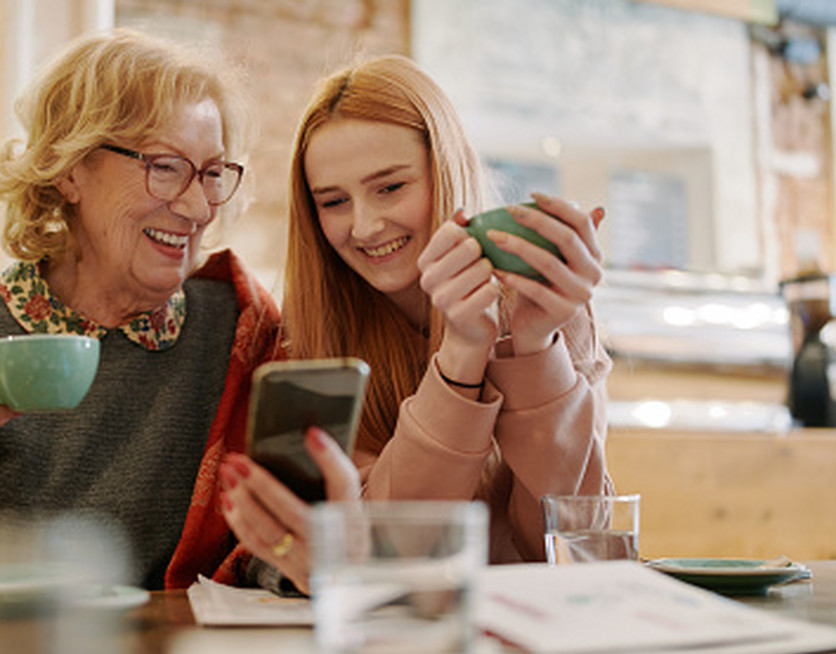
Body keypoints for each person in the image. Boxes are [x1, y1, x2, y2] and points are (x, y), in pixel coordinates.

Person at [0, 29, 287, 591]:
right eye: (164, 167)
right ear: (70, 170)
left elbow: (272, 546)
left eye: (211, 173)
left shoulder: (240, 331)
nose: (197, 206)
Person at [220, 55, 612, 594]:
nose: (364, 225)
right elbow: (382, 552)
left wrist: (536, 345)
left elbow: (568, 540)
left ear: (445, 170)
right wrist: (460, 356)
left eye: (390, 187)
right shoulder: (315, 338)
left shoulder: (546, 303)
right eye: (333, 201)